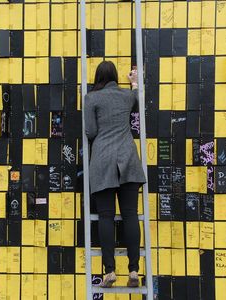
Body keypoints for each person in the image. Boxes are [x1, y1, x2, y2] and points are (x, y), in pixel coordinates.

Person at [84, 60, 147, 288]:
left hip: (102, 162)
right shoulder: (126, 96)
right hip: (128, 160)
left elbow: (90, 131)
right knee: (130, 214)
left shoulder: (91, 98)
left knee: (106, 216)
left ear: (97, 77)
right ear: (115, 76)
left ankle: (109, 271)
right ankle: (133, 270)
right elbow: (138, 102)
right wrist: (135, 83)